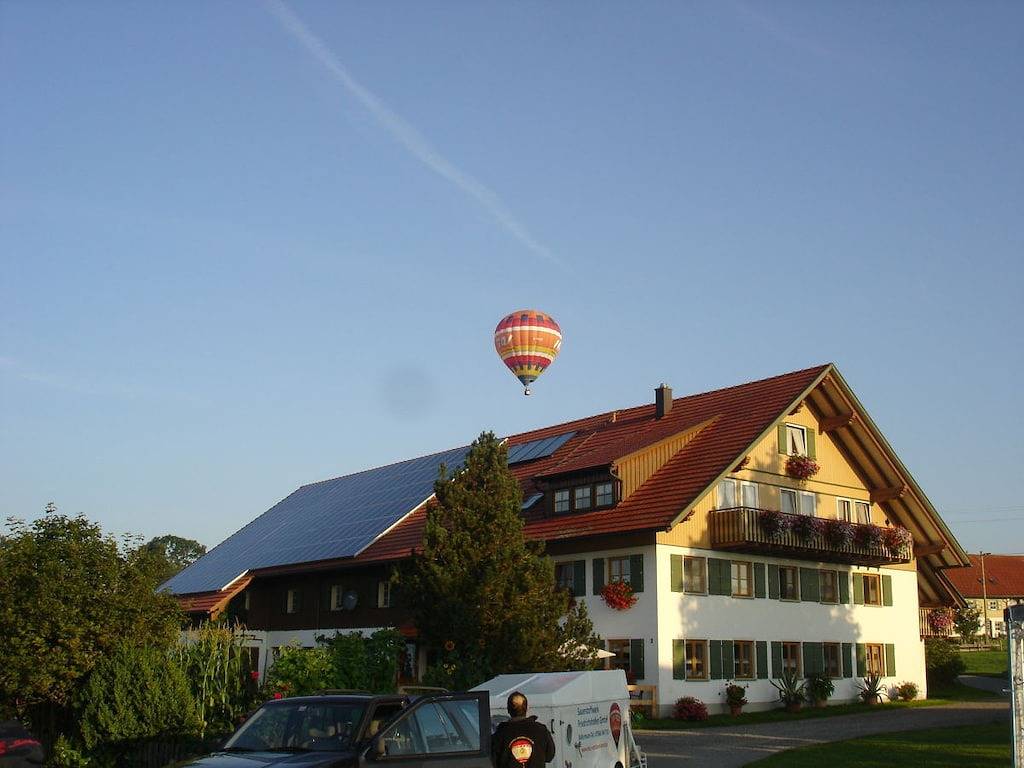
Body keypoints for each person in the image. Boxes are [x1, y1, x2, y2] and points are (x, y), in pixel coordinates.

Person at [491, 691, 556, 768]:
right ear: (527, 708)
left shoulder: (500, 733)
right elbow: (549, 756)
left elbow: (493, 761)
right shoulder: (541, 730)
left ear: (508, 709)